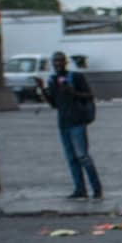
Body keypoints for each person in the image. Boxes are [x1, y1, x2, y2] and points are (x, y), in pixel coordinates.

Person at [34, 51, 102, 200]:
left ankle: (96, 189)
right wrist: (42, 88)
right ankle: (80, 189)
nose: (57, 64)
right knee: (71, 158)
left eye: (60, 61)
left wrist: (72, 92)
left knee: (83, 156)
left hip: (77, 121)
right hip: (63, 123)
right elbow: (54, 104)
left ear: (65, 62)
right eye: (55, 62)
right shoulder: (53, 80)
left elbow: (89, 96)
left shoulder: (76, 77)